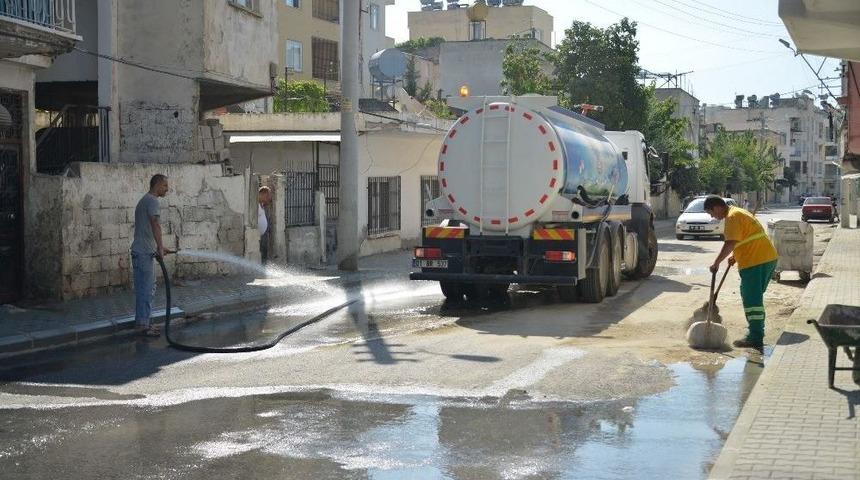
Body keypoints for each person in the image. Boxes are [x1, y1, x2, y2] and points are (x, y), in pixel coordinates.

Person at [704, 195, 778, 351]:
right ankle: (756, 332)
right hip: (765, 258)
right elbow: (744, 238)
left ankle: (755, 337)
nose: (712, 216)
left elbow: (730, 242)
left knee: (752, 300)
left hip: (755, 261)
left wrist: (716, 262)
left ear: (717, 207)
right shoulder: (737, 212)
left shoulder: (732, 217)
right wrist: (735, 256)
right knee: (754, 298)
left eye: (711, 213)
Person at [131, 174, 173, 337]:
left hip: (143, 251)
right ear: (157, 185)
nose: (167, 189)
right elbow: (155, 225)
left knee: (146, 288)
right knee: (146, 289)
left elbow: (146, 230)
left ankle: (143, 323)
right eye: (165, 186)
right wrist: (160, 248)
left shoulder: (145, 200)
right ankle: (143, 325)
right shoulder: (152, 201)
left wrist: (160, 248)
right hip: (142, 253)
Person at [257, 186, 272, 264]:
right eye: (267, 196)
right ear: (263, 194)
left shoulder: (261, 205)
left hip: (261, 236)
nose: (268, 199)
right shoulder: (255, 205)